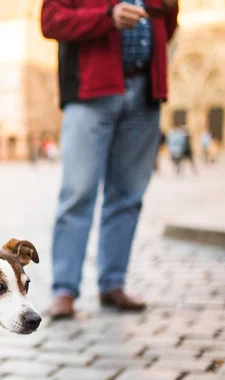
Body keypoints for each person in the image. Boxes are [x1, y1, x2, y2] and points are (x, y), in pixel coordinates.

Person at [41, 0, 178, 319]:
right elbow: (51, 21)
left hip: (146, 89)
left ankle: (112, 283)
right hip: (91, 91)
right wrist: (108, 18)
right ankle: (64, 289)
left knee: (128, 196)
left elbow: (167, 27)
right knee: (78, 193)